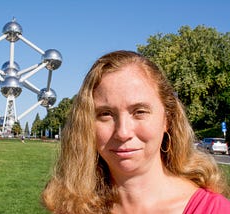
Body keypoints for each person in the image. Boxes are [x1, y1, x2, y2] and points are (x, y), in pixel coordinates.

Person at [41, 50, 230, 213]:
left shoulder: (214, 210)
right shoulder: (73, 210)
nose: (123, 132)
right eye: (105, 114)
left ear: (167, 119)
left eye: (139, 112)